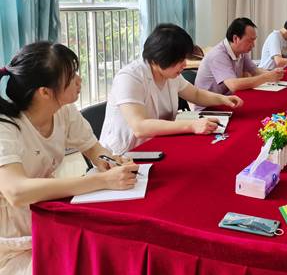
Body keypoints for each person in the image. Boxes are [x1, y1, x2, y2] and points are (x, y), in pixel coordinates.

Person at [0, 42, 138, 275]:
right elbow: (16, 192)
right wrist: (101, 181)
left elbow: (93, 149)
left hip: (45, 216)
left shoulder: (62, 110)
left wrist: (111, 161)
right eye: (71, 76)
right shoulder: (6, 126)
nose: (79, 80)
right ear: (44, 92)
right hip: (11, 239)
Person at [99, 24, 243, 154]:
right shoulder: (130, 78)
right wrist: (191, 126)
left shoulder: (169, 74)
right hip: (125, 154)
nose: (185, 65)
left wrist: (223, 99)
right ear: (160, 58)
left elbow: (196, 94)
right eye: (180, 60)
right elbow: (140, 127)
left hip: (158, 143)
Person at [194, 17, 284, 98]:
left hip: (228, 98)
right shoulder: (218, 55)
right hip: (210, 106)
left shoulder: (241, 52)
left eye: (254, 40)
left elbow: (255, 71)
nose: (253, 45)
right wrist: (266, 77)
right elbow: (234, 85)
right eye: (250, 41)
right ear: (235, 38)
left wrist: (273, 73)